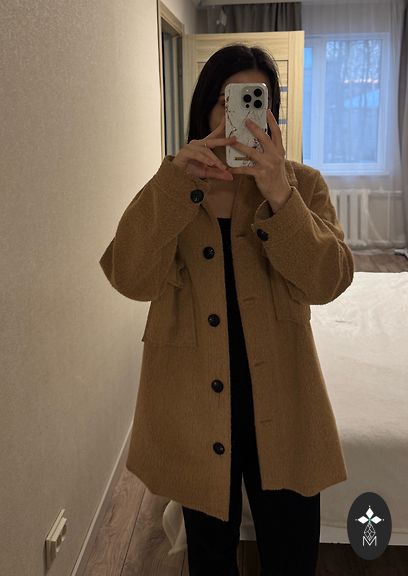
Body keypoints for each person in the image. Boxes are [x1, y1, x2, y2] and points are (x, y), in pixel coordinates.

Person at [99, 43, 354, 576]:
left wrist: (280, 195)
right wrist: (173, 182)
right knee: (210, 556)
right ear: (205, 112)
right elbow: (128, 276)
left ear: (272, 116)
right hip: (194, 398)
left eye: (254, 101)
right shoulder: (176, 187)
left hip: (284, 394)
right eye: (226, 100)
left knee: (292, 550)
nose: (240, 116)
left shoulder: (302, 185)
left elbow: (330, 280)